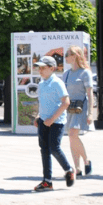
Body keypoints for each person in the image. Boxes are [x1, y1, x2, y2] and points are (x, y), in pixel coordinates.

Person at [33, 55, 73, 192]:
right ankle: (47, 181)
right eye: (39, 68)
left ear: (52, 68)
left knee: (54, 147)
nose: (40, 70)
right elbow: (43, 103)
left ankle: (69, 169)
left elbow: (66, 102)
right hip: (44, 121)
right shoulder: (41, 84)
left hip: (57, 122)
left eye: (43, 68)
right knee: (44, 149)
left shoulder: (57, 82)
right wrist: (39, 116)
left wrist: (53, 118)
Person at [63, 45, 95, 177]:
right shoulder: (66, 74)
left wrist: (91, 113)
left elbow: (90, 93)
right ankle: (77, 168)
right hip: (69, 108)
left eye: (67, 54)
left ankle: (86, 160)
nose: (65, 57)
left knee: (72, 135)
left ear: (75, 55)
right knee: (71, 137)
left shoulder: (85, 72)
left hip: (81, 108)